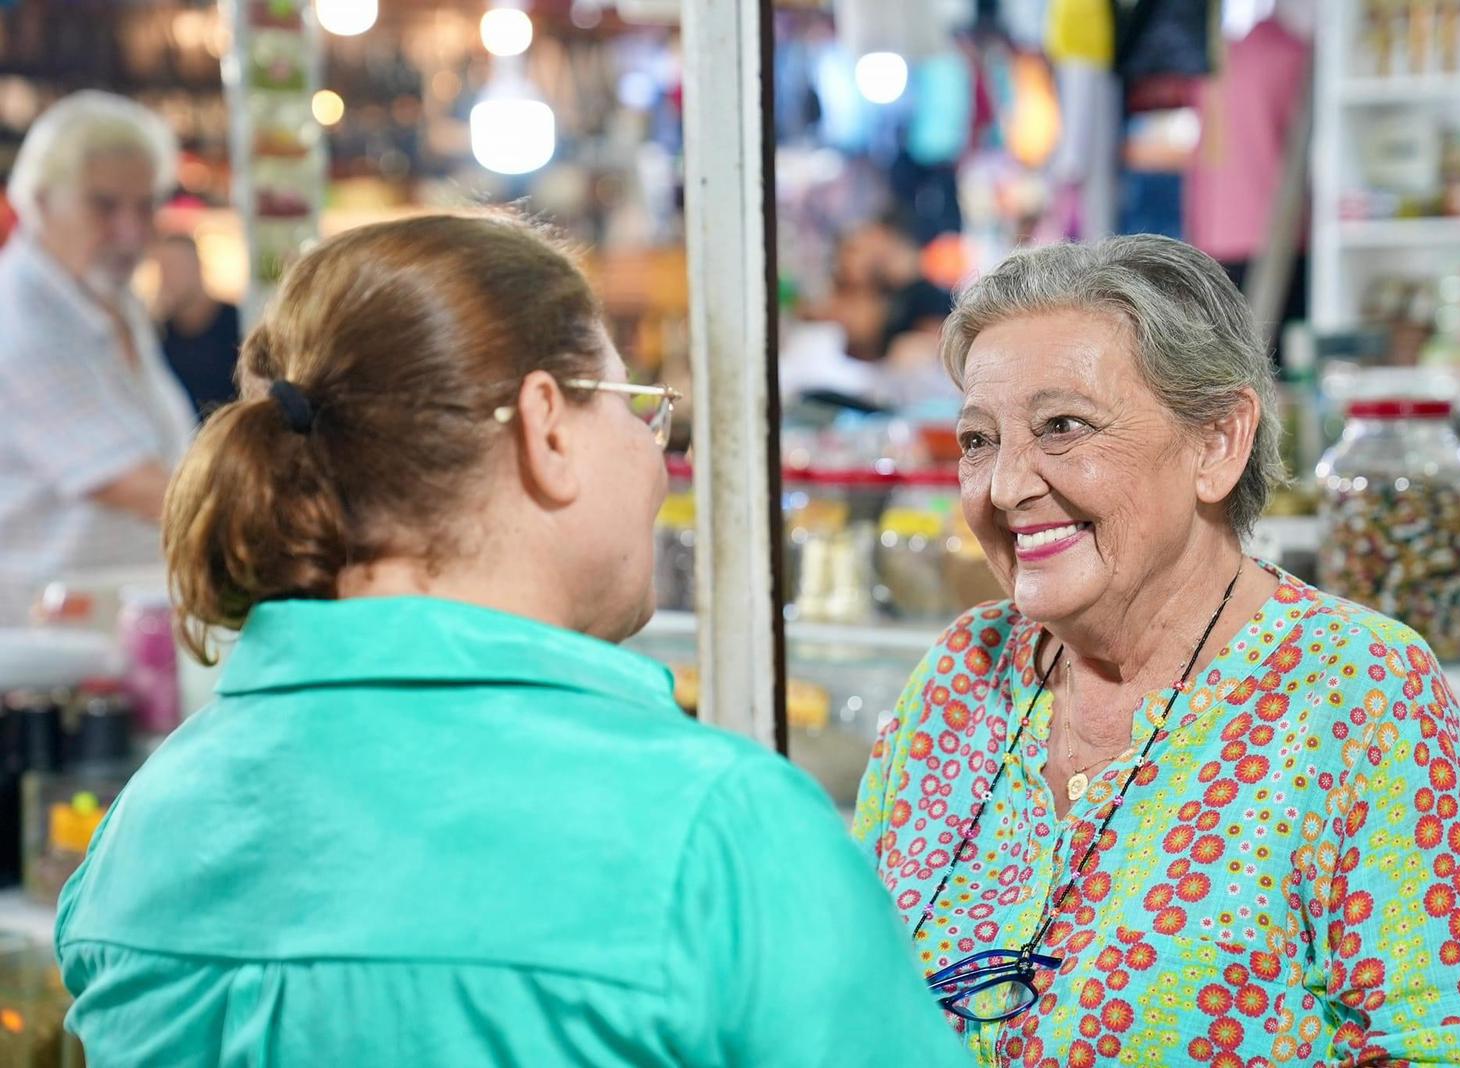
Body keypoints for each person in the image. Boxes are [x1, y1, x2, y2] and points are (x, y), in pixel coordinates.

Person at [55, 214, 973, 1068]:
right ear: (545, 428)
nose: (656, 456)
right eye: (635, 406)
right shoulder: (720, 833)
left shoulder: (144, 828)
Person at [853, 235, 1460, 1066]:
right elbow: (855, 980)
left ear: (1217, 443)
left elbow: (1449, 1051)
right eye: (978, 440)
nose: (1004, 487)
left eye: (1063, 427)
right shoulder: (962, 672)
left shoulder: (1359, 694)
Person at [0, 91, 194, 624]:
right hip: (39, 648)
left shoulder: (109, 298)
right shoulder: (18, 316)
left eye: (147, 204)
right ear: (37, 201)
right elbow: (135, 485)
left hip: (117, 627)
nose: (132, 232)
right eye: (104, 205)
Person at [151, 232, 240, 417]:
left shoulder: (237, 323)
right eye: (163, 270)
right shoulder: (159, 336)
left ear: (197, 267)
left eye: (175, 268)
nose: (168, 279)